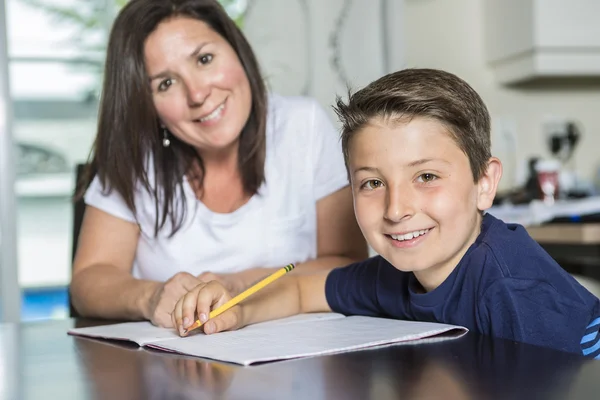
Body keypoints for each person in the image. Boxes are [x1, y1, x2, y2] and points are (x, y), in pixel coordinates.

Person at [172, 68, 600, 357]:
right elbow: (304, 291)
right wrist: (237, 309)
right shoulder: (398, 275)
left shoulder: (514, 293)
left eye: (427, 177)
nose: (396, 209)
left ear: (484, 184)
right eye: (372, 183)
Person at [70, 0, 367, 328]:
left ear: (237, 48)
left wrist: (237, 284)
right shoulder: (136, 156)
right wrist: (151, 297)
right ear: (147, 104)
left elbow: (348, 263)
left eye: (204, 59)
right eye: (165, 83)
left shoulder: (303, 125)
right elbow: (88, 282)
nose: (197, 94)